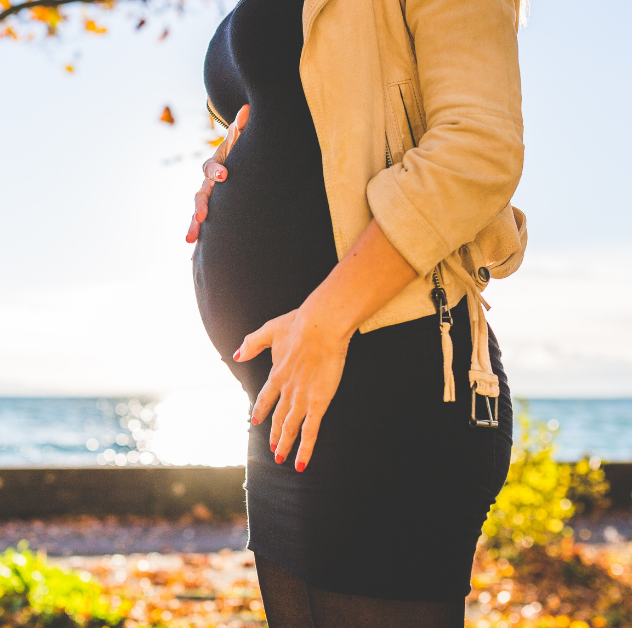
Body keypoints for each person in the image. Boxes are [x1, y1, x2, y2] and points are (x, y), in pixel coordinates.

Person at [186, 0, 530, 625]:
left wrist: (325, 318)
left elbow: (478, 148)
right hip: (289, 396)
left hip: (392, 377)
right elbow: (302, 119)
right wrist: (222, 161)